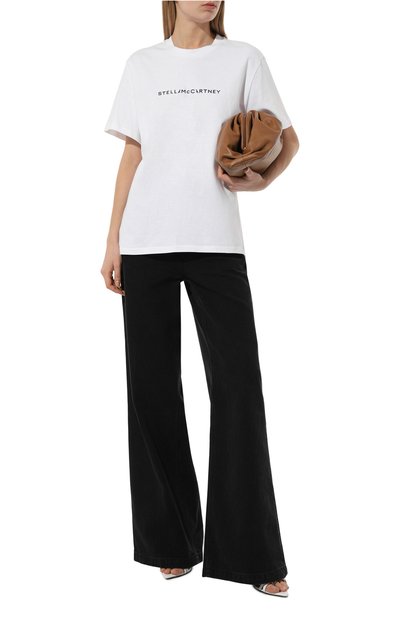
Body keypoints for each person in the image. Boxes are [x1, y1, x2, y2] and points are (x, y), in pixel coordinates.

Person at [100, 0, 299, 597]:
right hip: (146, 243)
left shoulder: (243, 59)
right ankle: (171, 543)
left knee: (238, 390)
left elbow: (288, 139)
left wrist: (260, 180)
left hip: (217, 244)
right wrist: (112, 240)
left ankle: (254, 556)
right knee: (152, 391)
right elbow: (133, 154)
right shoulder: (142, 64)